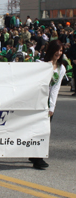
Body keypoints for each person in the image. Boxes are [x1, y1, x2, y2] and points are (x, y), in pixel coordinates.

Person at [29, 39, 66, 170]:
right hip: (37, 101)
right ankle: (36, 158)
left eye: (61, 51)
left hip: (47, 103)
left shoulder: (61, 68)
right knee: (35, 129)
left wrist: (52, 107)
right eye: (57, 50)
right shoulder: (41, 64)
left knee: (44, 130)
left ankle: (36, 155)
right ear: (51, 50)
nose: (59, 53)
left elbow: (55, 88)